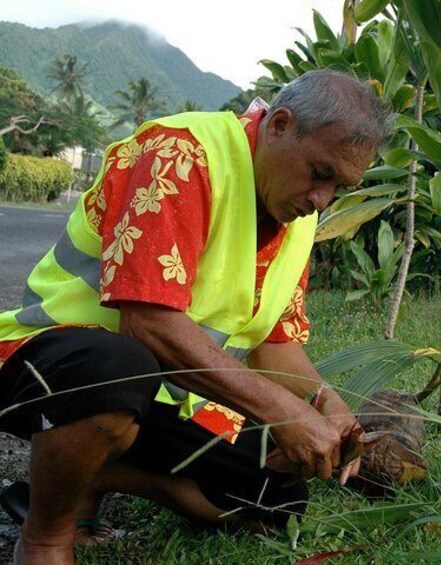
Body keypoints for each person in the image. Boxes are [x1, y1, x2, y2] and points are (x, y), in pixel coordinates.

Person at [0, 69, 390, 564]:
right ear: (279, 125)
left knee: (276, 499)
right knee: (116, 367)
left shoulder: (294, 215)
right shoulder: (180, 153)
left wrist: (321, 401)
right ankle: (45, 537)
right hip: (51, 359)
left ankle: (88, 471)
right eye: (319, 172)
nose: (321, 199)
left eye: (339, 186)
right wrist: (280, 410)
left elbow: (274, 341)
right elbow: (148, 323)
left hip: (168, 392)